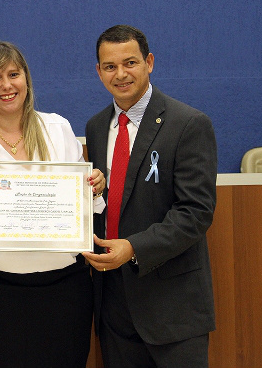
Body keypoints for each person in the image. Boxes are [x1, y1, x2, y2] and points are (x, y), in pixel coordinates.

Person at [0, 40, 106, 368]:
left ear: (26, 80)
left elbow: (87, 207)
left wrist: (95, 189)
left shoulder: (57, 128)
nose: (7, 85)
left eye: (14, 74)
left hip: (63, 292)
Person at [83, 25, 217, 368]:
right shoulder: (96, 127)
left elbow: (195, 212)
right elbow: (105, 200)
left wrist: (134, 248)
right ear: (99, 72)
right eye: (110, 66)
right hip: (113, 303)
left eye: (130, 62)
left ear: (150, 62)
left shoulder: (188, 124)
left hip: (172, 307)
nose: (121, 74)